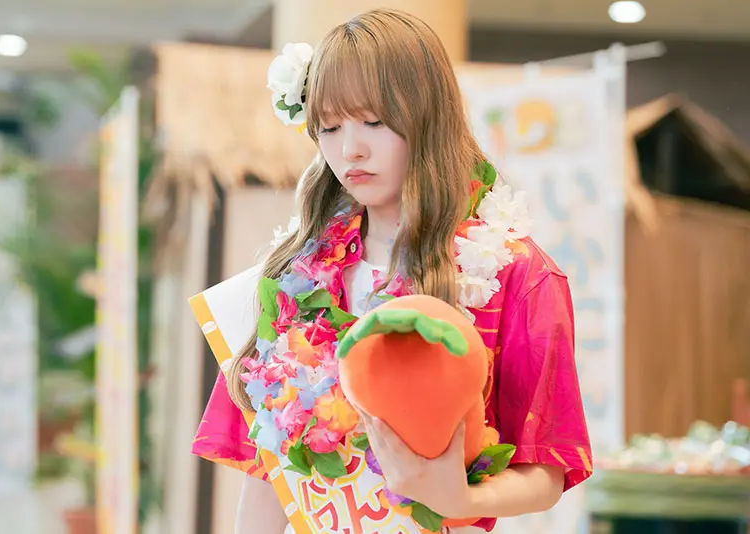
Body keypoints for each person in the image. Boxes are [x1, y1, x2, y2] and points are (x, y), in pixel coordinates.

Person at [192, 7, 592, 533]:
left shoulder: (513, 272)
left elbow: (546, 466)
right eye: (329, 127)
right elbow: (270, 469)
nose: (349, 150)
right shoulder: (292, 273)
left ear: (429, 114)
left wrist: (458, 496)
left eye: (374, 122)